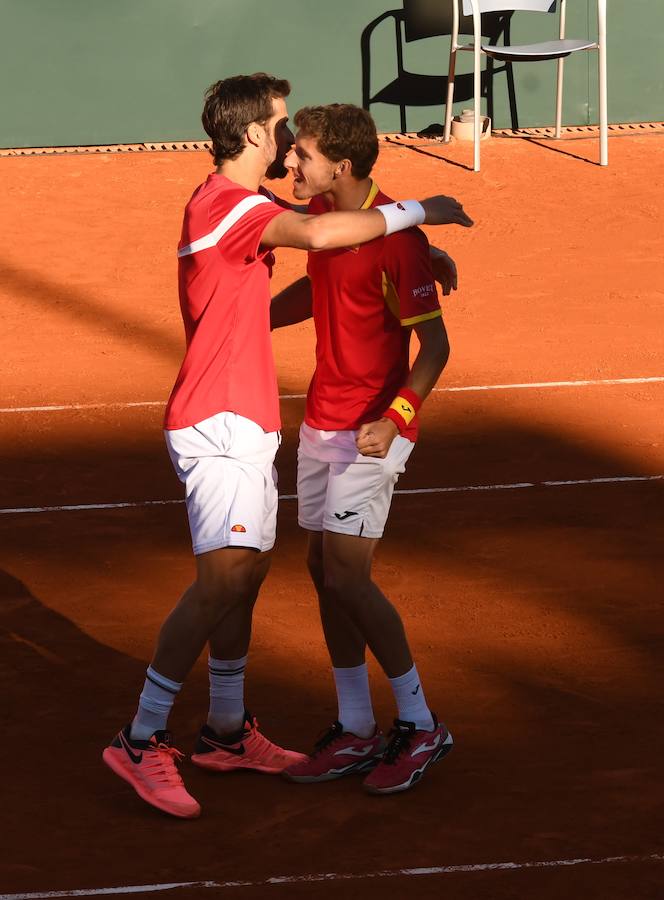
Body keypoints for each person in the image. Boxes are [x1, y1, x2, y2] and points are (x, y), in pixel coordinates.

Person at [102, 75, 473, 818]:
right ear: (252, 137)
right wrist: (422, 212)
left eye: (299, 144)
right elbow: (327, 240)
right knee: (234, 580)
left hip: (280, 421)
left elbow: (366, 283)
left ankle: (241, 730)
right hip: (224, 419)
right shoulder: (241, 206)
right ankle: (141, 739)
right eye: (280, 131)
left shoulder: (271, 206)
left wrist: (417, 258)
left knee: (259, 574)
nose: (287, 148)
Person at [271, 104, 459, 795]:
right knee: (323, 568)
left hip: (374, 431)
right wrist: (254, 316)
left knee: (348, 575)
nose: (292, 164)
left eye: (304, 156)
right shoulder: (327, 217)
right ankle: (356, 727)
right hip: (322, 420)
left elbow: (435, 346)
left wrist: (398, 414)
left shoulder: (394, 243)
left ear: (341, 166)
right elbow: (316, 285)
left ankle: (419, 722)